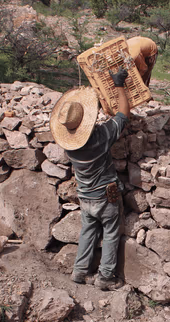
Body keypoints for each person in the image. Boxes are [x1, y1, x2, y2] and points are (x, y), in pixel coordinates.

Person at [50, 69, 131, 291]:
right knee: (111, 232)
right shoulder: (99, 138)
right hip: (106, 196)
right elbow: (123, 115)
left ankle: (80, 271)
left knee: (88, 230)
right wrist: (119, 85)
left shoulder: (69, 145)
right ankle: (106, 277)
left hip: (85, 197)